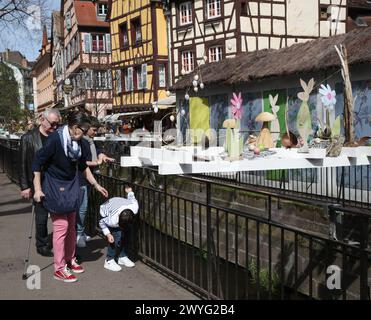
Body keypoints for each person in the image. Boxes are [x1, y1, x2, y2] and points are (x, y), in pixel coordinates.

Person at [32, 111, 108, 283]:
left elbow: (82, 166)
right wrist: (37, 189)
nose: (87, 133)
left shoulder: (78, 142)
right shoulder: (55, 140)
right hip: (55, 185)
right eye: (85, 129)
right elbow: (37, 162)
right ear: (74, 128)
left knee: (72, 226)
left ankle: (69, 258)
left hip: (71, 185)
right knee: (62, 226)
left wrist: (96, 185)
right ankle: (59, 268)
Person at [20, 108, 61, 257]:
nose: (55, 127)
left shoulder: (57, 137)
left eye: (57, 124)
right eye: (52, 124)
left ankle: (62, 244)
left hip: (55, 182)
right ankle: (42, 244)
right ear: (42, 120)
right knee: (41, 217)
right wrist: (25, 186)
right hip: (38, 183)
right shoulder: (28, 138)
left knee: (60, 216)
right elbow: (23, 163)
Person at [77, 116, 114, 248]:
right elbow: (80, 162)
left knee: (83, 208)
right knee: (82, 208)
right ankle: (78, 235)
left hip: (88, 178)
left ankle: (80, 233)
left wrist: (102, 156)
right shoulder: (81, 141)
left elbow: (97, 151)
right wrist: (96, 163)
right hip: (81, 179)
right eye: (93, 129)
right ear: (86, 129)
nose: (96, 132)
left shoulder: (91, 141)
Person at [99, 186, 138, 272]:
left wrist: (130, 192)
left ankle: (122, 256)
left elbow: (132, 199)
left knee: (126, 234)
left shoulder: (134, 208)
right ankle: (109, 260)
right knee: (116, 237)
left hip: (120, 204)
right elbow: (102, 222)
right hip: (107, 209)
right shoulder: (112, 220)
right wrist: (108, 234)